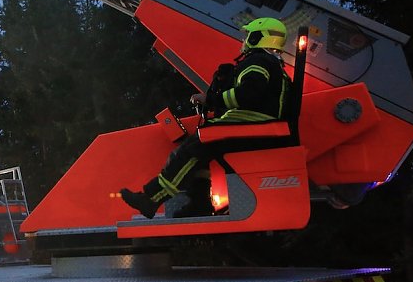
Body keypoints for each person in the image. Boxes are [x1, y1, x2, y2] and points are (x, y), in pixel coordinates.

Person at [121, 17, 292, 219]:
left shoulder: (258, 61)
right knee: (202, 154)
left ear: (257, 37)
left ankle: (151, 199)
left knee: (192, 149)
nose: (244, 40)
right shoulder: (274, 65)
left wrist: (210, 99)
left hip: (252, 125)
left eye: (248, 35)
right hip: (260, 127)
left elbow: (248, 94)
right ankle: (199, 205)